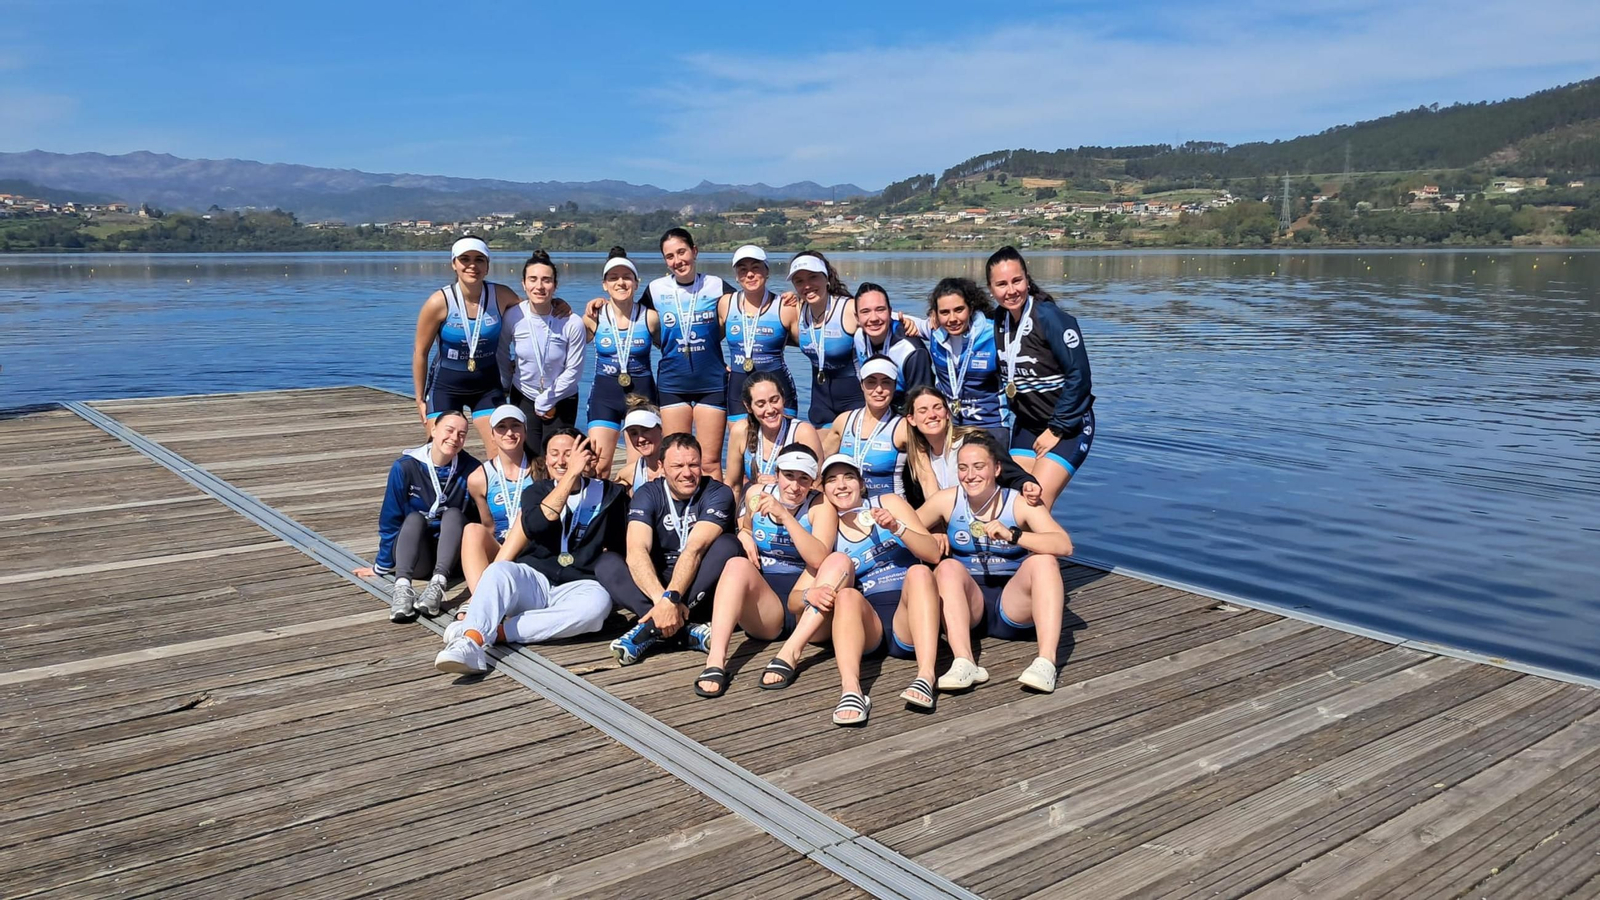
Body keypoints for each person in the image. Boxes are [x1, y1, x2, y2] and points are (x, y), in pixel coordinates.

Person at [759, 454, 942, 726]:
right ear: (823, 489)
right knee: (845, 593)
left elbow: (933, 554)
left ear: (862, 483)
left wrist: (896, 527)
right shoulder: (829, 530)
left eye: (849, 477)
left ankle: (926, 676)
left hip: (909, 618)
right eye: (832, 480)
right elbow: (795, 601)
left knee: (920, 572)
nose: (841, 485)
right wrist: (811, 595)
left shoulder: (888, 503)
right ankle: (851, 690)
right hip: (868, 627)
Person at [434, 428, 624, 673]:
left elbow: (622, 544)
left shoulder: (610, 495)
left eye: (569, 454)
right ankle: (469, 643)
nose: (561, 461)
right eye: (554, 454)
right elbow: (538, 524)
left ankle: (495, 632)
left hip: (580, 584)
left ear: (585, 456)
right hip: (535, 580)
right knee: (499, 571)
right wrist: (571, 476)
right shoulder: (536, 491)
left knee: (597, 607)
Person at [918, 433, 1075, 694]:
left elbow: (1064, 545)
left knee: (1045, 562)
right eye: (963, 468)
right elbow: (905, 530)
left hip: (1013, 605)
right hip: (970, 607)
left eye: (979, 467)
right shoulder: (947, 500)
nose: (970, 475)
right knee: (946, 568)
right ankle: (964, 661)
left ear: (997, 469)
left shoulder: (1020, 502)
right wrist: (931, 533)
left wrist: (1014, 535)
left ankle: (1046, 662)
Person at [693, 444, 835, 698]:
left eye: (804, 479)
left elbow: (818, 559)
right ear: (777, 474)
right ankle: (715, 660)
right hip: (767, 607)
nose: (794, 486)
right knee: (736, 565)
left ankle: (791, 654)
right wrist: (744, 535)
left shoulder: (820, 506)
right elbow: (747, 527)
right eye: (789, 476)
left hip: (806, 602)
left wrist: (786, 517)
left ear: (813, 482)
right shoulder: (756, 494)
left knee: (835, 561)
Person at [597, 433, 744, 665]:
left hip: (699, 584)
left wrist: (672, 597)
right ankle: (681, 630)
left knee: (729, 545)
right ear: (661, 466)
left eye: (693, 465)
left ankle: (650, 629)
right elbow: (636, 550)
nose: (687, 473)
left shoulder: (718, 493)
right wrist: (663, 601)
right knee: (606, 563)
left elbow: (695, 549)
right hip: (658, 584)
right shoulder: (648, 493)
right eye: (677, 466)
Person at [988, 245, 1095, 508]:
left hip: (1068, 426)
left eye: (1017, 281)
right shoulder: (999, 319)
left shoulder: (1050, 318)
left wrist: (1056, 429)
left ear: (1027, 279)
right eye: (1001, 284)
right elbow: (960, 317)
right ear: (991, 289)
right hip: (1027, 425)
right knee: (1010, 504)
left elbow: (1080, 376)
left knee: (1035, 505)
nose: (1011, 290)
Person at [357, 410, 481, 621]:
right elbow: (390, 519)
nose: (454, 438)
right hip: (417, 554)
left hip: (451, 557)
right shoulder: (405, 467)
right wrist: (381, 565)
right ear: (433, 430)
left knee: (453, 514)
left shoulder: (472, 469)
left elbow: (479, 521)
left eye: (462, 434)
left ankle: (437, 586)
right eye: (449, 430)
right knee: (414, 518)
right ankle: (402, 588)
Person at [641, 228, 732, 478]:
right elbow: (631, 318)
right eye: (670, 256)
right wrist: (600, 305)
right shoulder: (656, 289)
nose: (677, 261)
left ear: (694, 251)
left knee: (709, 462)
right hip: (673, 383)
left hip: (711, 382)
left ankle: (714, 505)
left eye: (682, 252)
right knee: (676, 460)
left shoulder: (715, 285)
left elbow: (747, 313)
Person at [412, 236, 515, 452]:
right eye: (465, 259)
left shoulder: (502, 295)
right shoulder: (439, 302)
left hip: (487, 387)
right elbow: (420, 352)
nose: (472, 265)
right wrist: (420, 399)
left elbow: (534, 317)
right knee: (441, 451)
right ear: (454, 264)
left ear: (487, 266)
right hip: (446, 387)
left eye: (479, 260)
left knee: (501, 451)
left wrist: (557, 303)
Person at [500, 250, 587, 460]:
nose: (539, 286)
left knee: (558, 459)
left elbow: (574, 370)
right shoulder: (513, 316)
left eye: (546, 280)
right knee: (528, 458)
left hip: (562, 397)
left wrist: (547, 399)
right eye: (533, 279)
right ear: (523, 284)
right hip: (524, 395)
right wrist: (505, 384)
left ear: (555, 286)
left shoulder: (572, 322)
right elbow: (501, 352)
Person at [583, 247, 660, 475]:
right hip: (604, 397)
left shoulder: (650, 317)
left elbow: (673, 350)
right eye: (613, 278)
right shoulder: (593, 317)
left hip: (642, 397)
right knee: (598, 467)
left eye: (627, 277)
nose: (621, 282)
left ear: (636, 283)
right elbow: (565, 347)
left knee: (638, 470)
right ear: (604, 285)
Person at [901, 385, 1041, 509]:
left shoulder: (975, 441)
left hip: (986, 518)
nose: (932, 415)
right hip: (947, 524)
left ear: (947, 413)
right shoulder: (917, 457)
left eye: (938, 408)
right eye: (923, 411)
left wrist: (1026, 484)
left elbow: (1011, 473)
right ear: (911, 419)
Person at [460, 405, 535, 594]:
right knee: (472, 530)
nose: (509, 432)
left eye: (515, 425)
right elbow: (489, 526)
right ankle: (480, 598)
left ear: (525, 431)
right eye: (502, 427)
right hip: (501, 548)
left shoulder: (542, 469)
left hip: (534, 548)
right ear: (492, 435)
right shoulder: (478, 478)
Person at [721, 245, 799, 422]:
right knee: (740, 438)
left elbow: (810, 345)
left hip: (777, 388)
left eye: (756, 268)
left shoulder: (785, 306)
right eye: (743, 269)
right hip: (738, 389)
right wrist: (718, 364)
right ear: (736, 276)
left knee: (782, 439)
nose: (750, 274)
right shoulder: (726, 303)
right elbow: (709, 338)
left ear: (767, 271)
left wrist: (801, 300)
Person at [925, 277, 1008, 439]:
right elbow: (889, 319)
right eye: (944, 312)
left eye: (959, 310)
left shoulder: (994, 334)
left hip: (991, 425)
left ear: (970, 308)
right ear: (935, 314)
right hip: (951, 425)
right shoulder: (935, 336)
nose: (952, 319)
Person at [787, 251, 864, 427]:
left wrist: (915, 325)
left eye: (813, 277)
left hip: (856, 401)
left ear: (827, 277)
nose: (807, 286)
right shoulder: (797, 310)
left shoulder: (850, 308)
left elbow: (885, 318)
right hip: (821, 405)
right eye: (799, 281)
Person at [724, 371, 823, 502]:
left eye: (774, 400)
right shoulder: (741, 431)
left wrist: (782, 483)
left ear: (783, 399)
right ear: (748, 407)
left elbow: (818, 486)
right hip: (754, 504)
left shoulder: (803, 432)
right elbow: (733, 486)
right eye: (761, 404)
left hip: (793, 506)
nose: (770, 409)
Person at [823, 357, 909, 497]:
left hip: (889, 506)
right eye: (871, 382)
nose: (879, 389)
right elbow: (821, 466)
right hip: (848, 503)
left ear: (894, 386)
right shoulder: (843, 421)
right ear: (862, 385)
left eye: (886, 382)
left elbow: (925, 477)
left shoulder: (903, 427)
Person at [852, 282, 933, 410]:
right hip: (880, 406)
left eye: (880, 310)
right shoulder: (859, 338)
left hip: (907, 410)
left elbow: (923, 405)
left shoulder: (911, 350)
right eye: (865, 312)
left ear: (890, 312)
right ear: (857, 317)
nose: (873, 318)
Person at [617, 398, 666, 492]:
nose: (641, 439)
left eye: (646, 430)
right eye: (634, 433)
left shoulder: (680, 467)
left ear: (661, 429)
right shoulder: (629, 473)